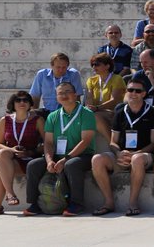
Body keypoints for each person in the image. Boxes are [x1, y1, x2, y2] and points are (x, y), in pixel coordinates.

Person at [90, 81, 154, 216]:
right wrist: (118, 153)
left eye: (137, 91)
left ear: (144, 94)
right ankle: (109, 202)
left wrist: (136, 153)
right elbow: (113, 142)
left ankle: (132, 203)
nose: (133, 93)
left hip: (144, 155)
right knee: (97, 159)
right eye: (130, 90)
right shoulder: (120, 112)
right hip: (122, 156)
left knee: (137, 159)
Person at [23, 82, 94, 216]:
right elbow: (48, 142)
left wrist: (65, 159)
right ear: (56, 97)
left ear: (75, 95)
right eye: (60, 93)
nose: (64, 95)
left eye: (67, 92)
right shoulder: (53, 116)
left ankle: (77, 204)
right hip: (58, 155)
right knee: (33, 165)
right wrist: (49, 160)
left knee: (71, 165)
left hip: (82, 155)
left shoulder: (86, 113)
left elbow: (85, 141)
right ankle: (34, 203)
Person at [0, 91, 44, 217]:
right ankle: (10, 194)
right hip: (10, 157)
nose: (22, 102)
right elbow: (0, 143)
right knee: (2, 153)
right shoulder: (4, 120)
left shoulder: (37, 120)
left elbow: (47, 143)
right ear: (13, 104)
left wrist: (29, 152)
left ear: (30, 104)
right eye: (18, 100)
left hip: (30, 159)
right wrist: (12, 150)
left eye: (25, 100)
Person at [84, 53, 125, 145]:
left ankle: (112, 143)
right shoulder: (91, 80)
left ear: (107, 66)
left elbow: (114, 100)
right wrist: (89, 108)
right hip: (97, 111)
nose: (94, 67)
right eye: (92, 65)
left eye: (97, 64)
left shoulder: (117, 79)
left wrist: (97, 108)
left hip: (113, 112)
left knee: (95, 116)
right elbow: (89, 98)